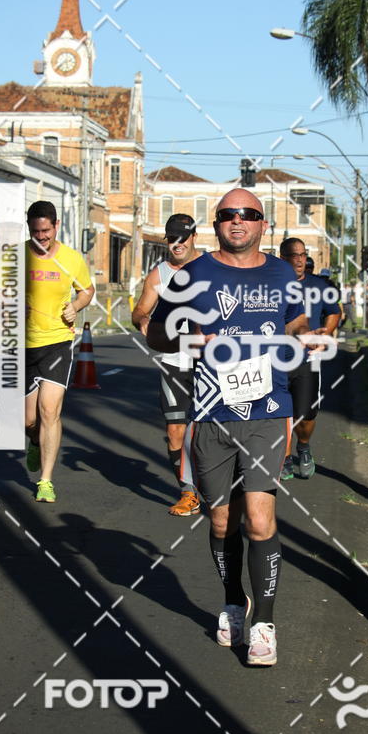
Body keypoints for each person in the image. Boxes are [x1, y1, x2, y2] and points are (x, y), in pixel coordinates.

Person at [148, 188, 321, 666]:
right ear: (216, 223)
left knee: (261, 518)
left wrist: (299, 339)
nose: (237, 221)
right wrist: (190, 332)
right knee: (222, 520)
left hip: (268, 408)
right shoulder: (195, 274)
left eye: (247, 215)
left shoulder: (281, 272)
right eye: (227, 215)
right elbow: (155, 330)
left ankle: (264, 624)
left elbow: (295, 319)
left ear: (263, 224)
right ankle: (232, 600)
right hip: (211, 414)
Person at [132, 213, 202, 516]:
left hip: (209, 362)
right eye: (171, 238)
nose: (176, 244)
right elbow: (139, 310)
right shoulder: (159, 275)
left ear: (194, 236)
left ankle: (218, 483)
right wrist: (143, 320)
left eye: (182, 238)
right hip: (173, 361)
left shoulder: (212, 267)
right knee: (175, 430)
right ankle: (188, 492)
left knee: (207, 431)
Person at [25, 201, 94, 502]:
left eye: (46, 231)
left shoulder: (70, 258)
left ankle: (46, 481)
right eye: (36, 232)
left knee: (50, 410)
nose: (41, 237)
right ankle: (33, 441)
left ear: (55, 226)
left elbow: (87, 290)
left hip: (57, 342)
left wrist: (75, 306)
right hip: (24, 345)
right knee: (29, 420)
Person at [280, 239, 341, 479]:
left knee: (305, 414)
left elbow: (334, 313)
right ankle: (283, 458)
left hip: (308, 358)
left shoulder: (318, 285)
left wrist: (325, 334)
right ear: (282, 257)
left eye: (303, 255)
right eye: (293, 256)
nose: (299, 260)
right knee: (281, 411)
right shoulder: (272, 285)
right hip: (277, 357)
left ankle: (303, 447)